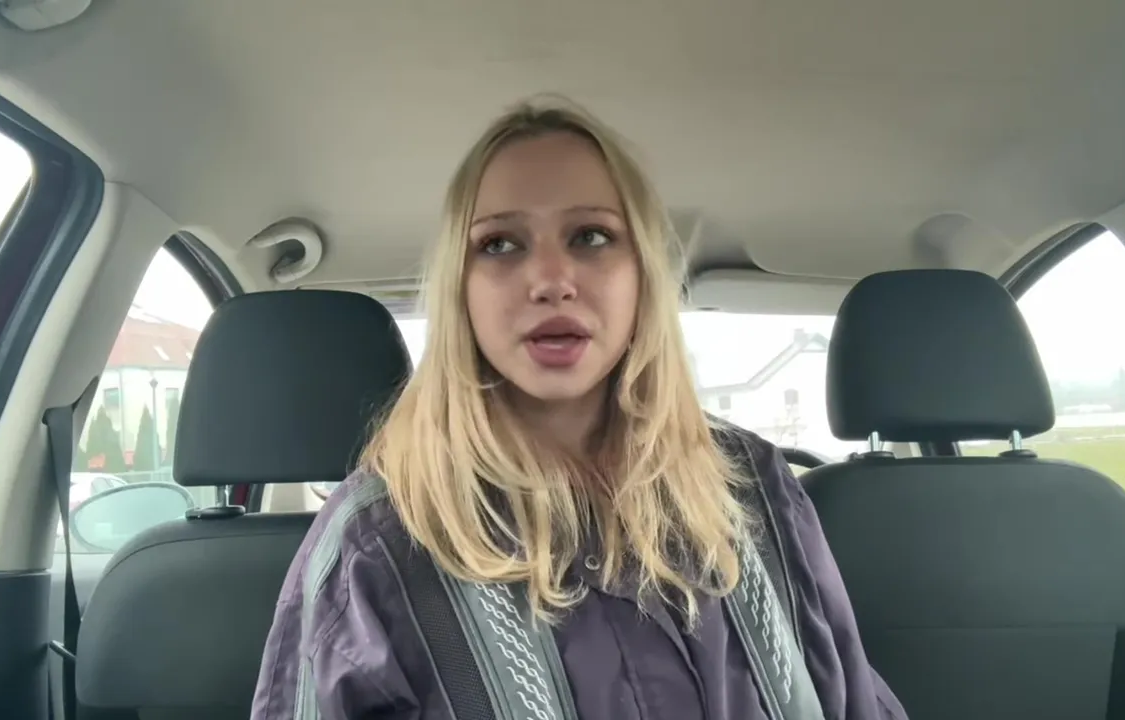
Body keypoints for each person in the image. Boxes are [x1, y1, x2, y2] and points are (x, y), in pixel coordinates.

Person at [251, 96, 907, 720]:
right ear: (461, 289)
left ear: (641, 274)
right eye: (500, 244)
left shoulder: (752, 489)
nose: (551, 280)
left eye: (591, 236)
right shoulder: (377, 544)